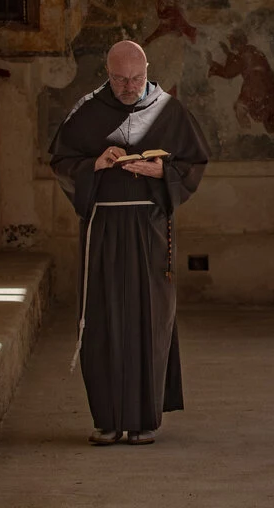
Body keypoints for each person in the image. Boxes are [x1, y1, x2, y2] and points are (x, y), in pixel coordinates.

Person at [48, 40, 209, 446]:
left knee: (150, 319)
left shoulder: (168, 109)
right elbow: (62, 163)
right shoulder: (87, 111)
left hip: (150, 229)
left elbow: (194, 164)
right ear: (108, 72)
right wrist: (95, 165)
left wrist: (161, 171)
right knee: (103, 318)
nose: (129, 86)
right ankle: (106, 421)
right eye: (120, 79)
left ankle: (143, 422)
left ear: (147, 70)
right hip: (103, 228)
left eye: (136, 78)